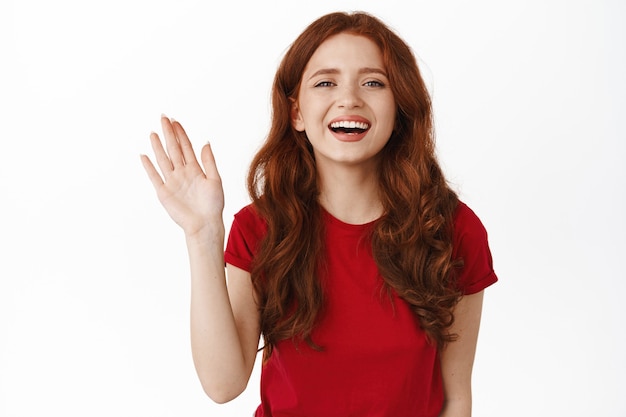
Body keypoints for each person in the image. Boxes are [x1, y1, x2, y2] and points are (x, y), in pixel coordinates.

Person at [141, 11, 497, 417]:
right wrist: (202, 235)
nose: (349, 98)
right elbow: (223, 384)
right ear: (296, 113)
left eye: (373, 82)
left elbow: (455, 398)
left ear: (400, 106)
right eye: (326, 82)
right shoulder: (260, 229)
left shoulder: (450, 230)